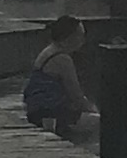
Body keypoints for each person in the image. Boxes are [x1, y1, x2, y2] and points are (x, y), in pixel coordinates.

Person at [22, 14, 97, 143]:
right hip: (51, 113)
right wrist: (93, 109)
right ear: (70, 37)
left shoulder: (48, 51)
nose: (83, 40)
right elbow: (76, 96)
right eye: (81, 35)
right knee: (99, 123)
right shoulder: (62, 59)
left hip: (36, 112)